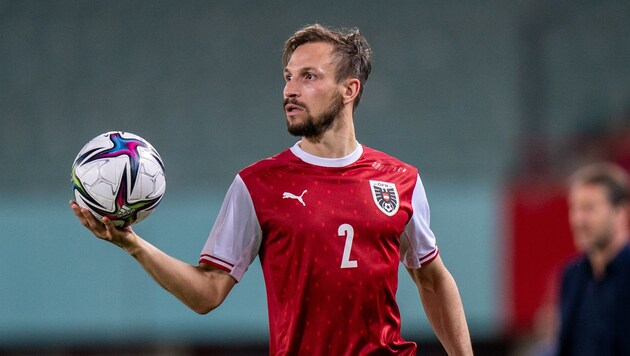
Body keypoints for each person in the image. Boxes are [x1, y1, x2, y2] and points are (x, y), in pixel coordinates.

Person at [70, 23, 473, 355]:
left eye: (308, 77)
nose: (290, 90)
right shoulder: (257, 185)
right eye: (288, 77)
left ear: (349, 90)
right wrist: (134, 245)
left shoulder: (399, 180)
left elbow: (432, 278)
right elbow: (207, 293)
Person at [556, 162, 630, 355]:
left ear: (621, 212)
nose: (578, 220)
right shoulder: (572, 276)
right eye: (575, 208)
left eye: (589, 209)